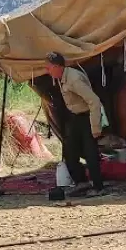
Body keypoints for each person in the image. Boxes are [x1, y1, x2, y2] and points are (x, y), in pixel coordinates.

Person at [46, 52, 105, 197]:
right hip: (75, 117)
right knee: (70, 151)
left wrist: (95, 126)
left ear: (57, 66)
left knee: (90, 153)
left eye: (49, 67)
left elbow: (94, 101)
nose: (47, 71)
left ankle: (98, 187)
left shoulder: (74, 79)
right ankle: (81, 182)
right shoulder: (62, 78)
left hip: (86, 117)